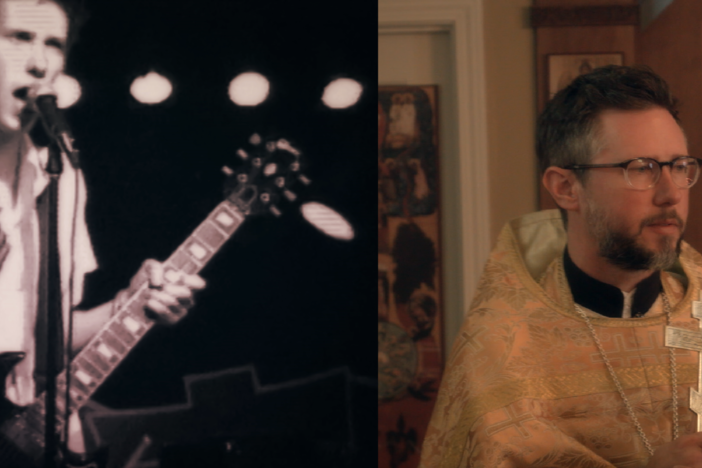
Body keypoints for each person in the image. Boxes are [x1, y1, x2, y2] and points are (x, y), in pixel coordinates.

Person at [420, 65, 702, 468]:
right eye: (642, 168)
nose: (671, 193)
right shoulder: (501, 349)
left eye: (679, 166)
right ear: (566, 187)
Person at [0, 0, 205, 455]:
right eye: (18, 38)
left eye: (53, 44)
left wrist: (129, 305)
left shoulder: (59, 178)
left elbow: (45, 336)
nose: (39, 62)